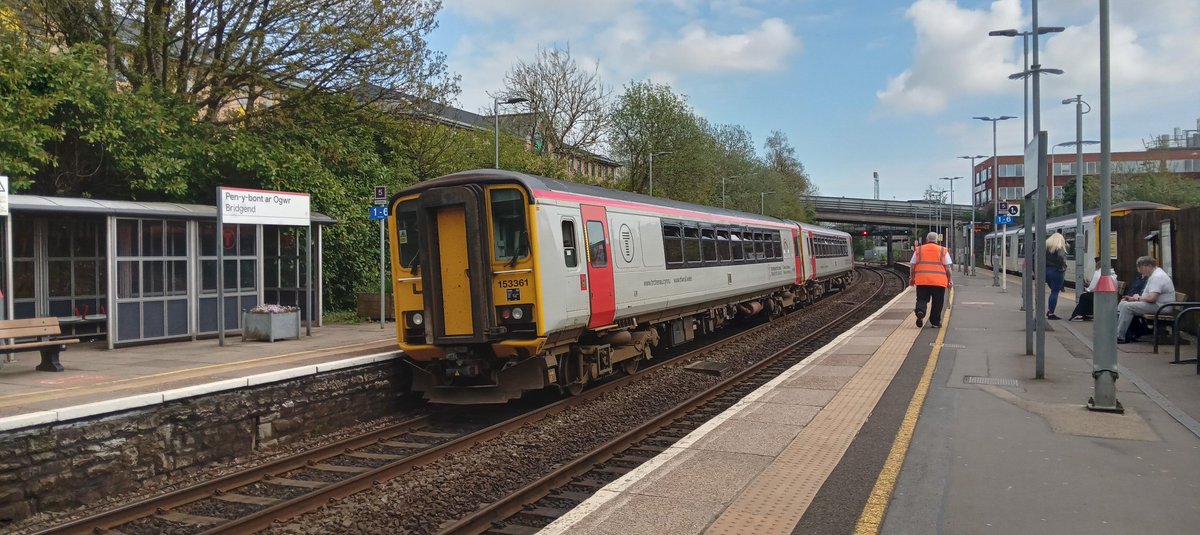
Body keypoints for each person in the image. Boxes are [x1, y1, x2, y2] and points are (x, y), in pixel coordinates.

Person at [1116, 256, 1175, 344]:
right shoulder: (1155, 275)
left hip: (1161, 307)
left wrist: (1138, 298)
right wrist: (1133, 298)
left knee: (1127, 307)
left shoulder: (1157, 277)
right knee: (1123, 303)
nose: (1141, 273)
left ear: (1147, 266)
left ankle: (1120, 336)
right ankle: (1126, 332)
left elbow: (1152, 298)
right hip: (1157, 305)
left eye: (1141, 269)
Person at [909, 232, 953, 328]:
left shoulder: (919, 250)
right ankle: (935, 322)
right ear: (937, 240)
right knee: (937, 302)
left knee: (921, 299)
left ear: (927, 240)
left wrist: (912, 279)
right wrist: (950, 280)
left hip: (922, 280)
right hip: (939, 282)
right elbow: (948, 269)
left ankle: (920, 311)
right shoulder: (943, 250)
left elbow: (912, 267)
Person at [1069, 257, 1116, 321]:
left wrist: (1087, 289)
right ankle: (1089, 314)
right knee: (1089, 296)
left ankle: (1078, 314)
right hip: (1110, 296)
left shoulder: (1098, 272)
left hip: (1101, 296)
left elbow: (1092, 287)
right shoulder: (1113, 273)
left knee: (1084, 296)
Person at [1044, 232, 1068, 320]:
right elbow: (1061, 257)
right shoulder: (1059, 247)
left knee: (1050, 291)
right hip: (1056, 271)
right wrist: (1062, 266)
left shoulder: (1045, 247)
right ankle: (1051, 313)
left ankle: (1047, 310)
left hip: (1045, 271)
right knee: (1054, 292)